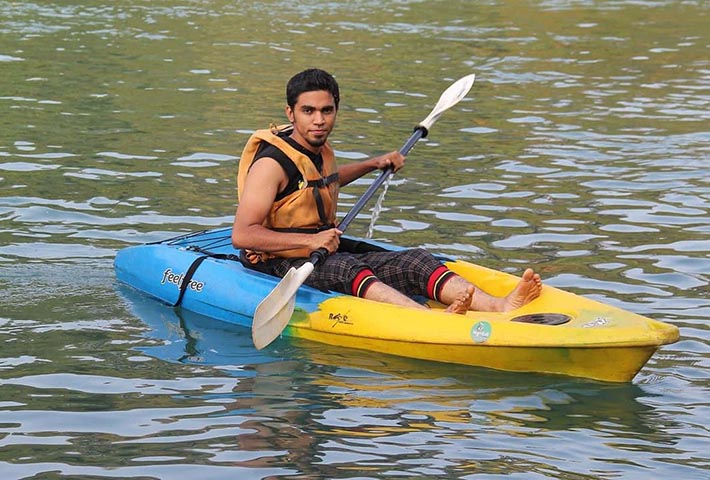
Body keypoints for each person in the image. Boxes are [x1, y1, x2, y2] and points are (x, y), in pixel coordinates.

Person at [232, 68, 542, 314]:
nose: (319, 120)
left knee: (415, 260)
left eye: (327, 111)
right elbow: (242, 235)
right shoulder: (270, 164)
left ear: (336, 110)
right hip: (276, 259)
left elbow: (323, 182)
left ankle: (498, 305)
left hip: (320, 247)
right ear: (291, 113)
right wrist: (311, 240)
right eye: (308, 111)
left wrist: (374, 163)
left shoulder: (318, 148)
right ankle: (425, 319)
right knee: (345, 267)